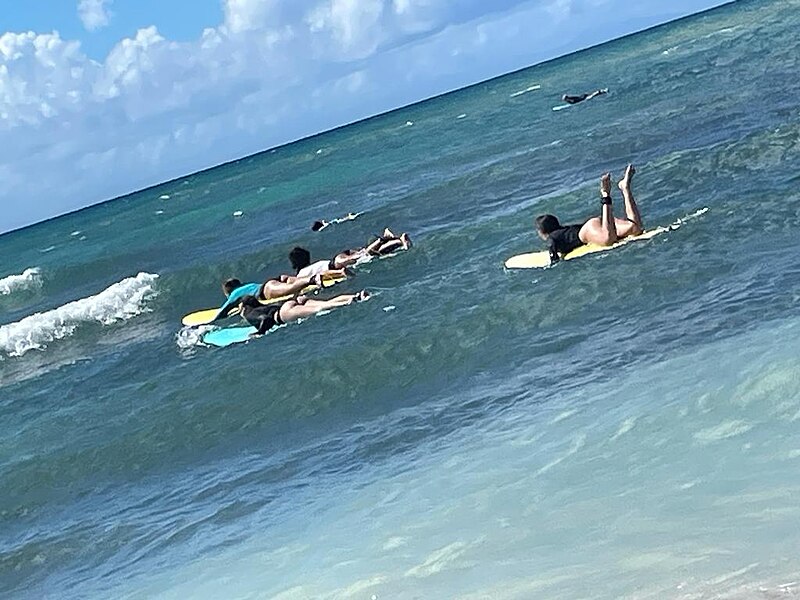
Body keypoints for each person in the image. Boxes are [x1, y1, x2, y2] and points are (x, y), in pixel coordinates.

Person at [535, 164, 643, 264]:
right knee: (635, 228)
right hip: (595, 225)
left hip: (587, 231)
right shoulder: (562, 232)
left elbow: (552, 252)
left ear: (542, 231)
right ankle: (625, 188)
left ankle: (605, 194)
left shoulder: (552, 238)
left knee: (608, 239)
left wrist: (553, 263)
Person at [238, 290, 369, 335]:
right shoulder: (261, 306)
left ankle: (352, 300)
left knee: (319, 309)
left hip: (284, 313)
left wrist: (259, 333)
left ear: (244, 307)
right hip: (290, 303)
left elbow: (266, 320)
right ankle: (356, 295)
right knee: (326, 302)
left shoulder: (249, 313)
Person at [213, 272, 328, 321]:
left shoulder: (234, 294)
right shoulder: (246, 286)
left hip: (266, 291)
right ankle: (321, 276)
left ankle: (312, 279)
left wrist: (209, 323)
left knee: (291, 288)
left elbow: (223, 312)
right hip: (269, 284)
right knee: (291, 284)